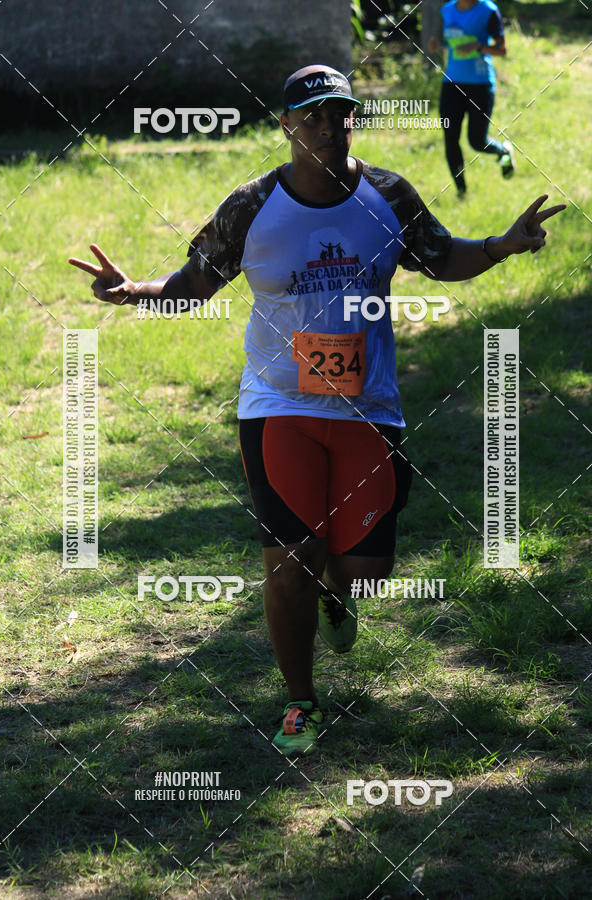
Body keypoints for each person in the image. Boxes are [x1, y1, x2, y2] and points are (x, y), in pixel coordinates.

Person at [69, 64, 564, 757]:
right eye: (313, 117)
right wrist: (132, 292)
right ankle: (300, 702)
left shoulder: (389, 194)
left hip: (369, 408)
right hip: (278, 404)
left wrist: (500, 247)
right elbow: (193, 284)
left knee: (364, 570)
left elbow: (439, 255)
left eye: (341, 114)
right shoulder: (250, 207)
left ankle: (339, 592)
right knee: (291, 556)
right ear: (288, 126)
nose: (329, 127)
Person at [429, 0, 514, 197]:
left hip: (480, 84)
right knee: (450, 139)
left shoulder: (488, 10)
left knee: (477, 142)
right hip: (451, 83)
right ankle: (461, 191)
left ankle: (503, 151)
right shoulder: (447, 10)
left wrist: (479, 47)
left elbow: (502, 49)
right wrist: (435, 45)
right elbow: (443, 41)